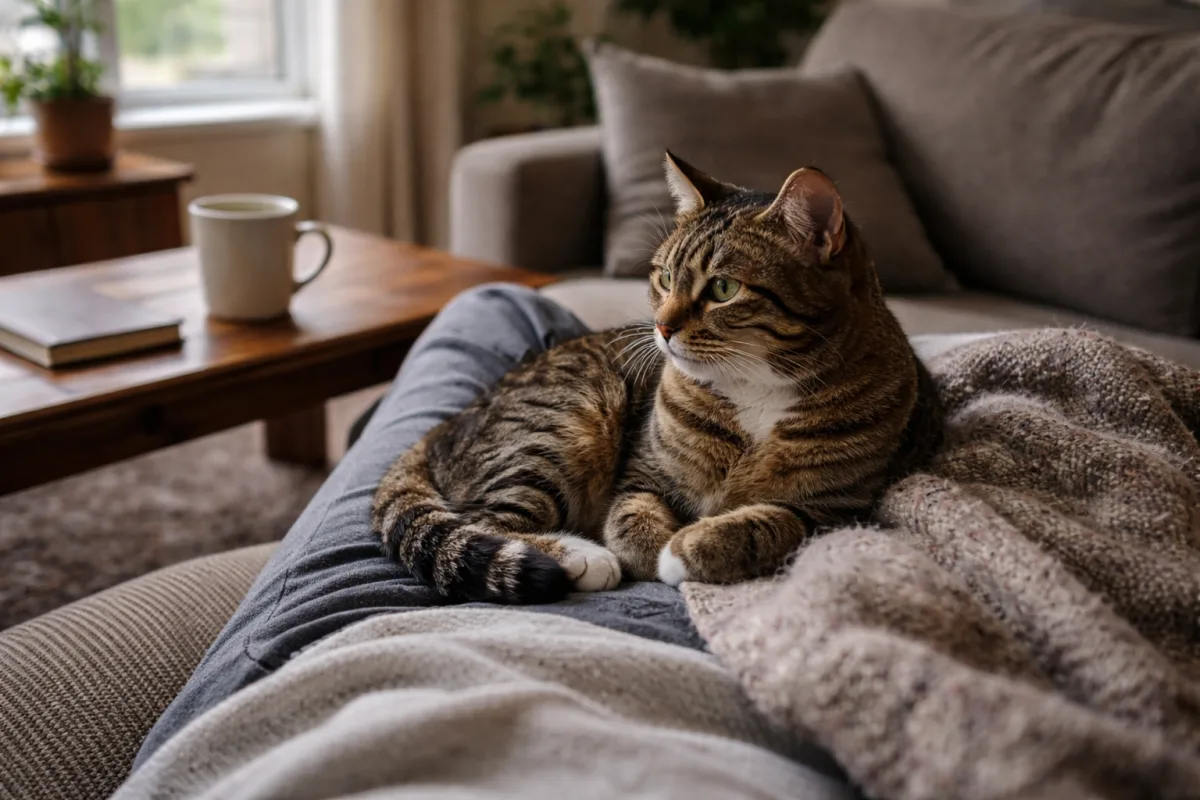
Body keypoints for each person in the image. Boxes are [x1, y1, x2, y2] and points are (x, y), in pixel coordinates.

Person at [125, 284, 851, 799]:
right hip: (621, 537)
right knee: (508, 324)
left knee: (494, 311)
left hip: (354, 645)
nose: (662, 318)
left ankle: (396, 438)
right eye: (662, 286)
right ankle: (407, 439)